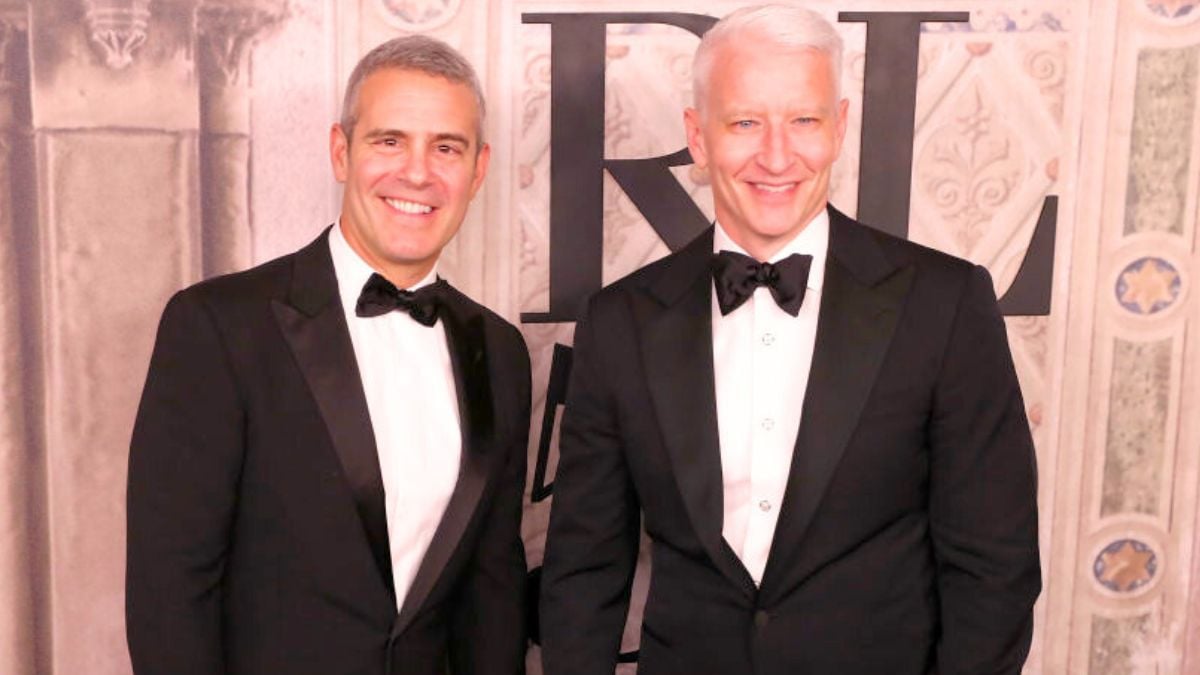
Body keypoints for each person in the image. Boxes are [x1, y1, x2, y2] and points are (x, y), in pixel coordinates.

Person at [539, 5, 1041, 674]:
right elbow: (584, 569)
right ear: (698, 136)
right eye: (745, 122)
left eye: (803, 120)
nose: (776, 155)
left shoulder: (944, 305)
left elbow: (993, 565)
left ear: (839, 128)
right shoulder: (619, 321)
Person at [127, 35, 529, 675]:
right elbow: (169, 591)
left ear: (477, 171)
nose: (418, 173)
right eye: (389, 141)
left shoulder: (500, 351)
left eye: (445, 148)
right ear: (341, 151)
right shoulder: (217, 326)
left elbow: (493, 590)